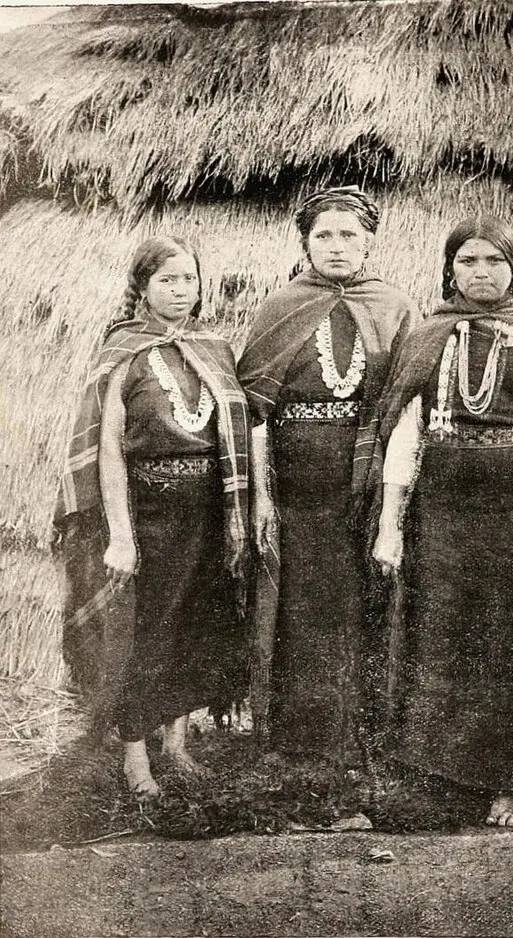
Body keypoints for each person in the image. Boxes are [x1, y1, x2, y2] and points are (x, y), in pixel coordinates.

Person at [373, 216, 513, 826]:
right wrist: (390, 524)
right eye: (468, 261)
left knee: (509, 639)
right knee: (440, 632)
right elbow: (404, 433)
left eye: (493, 262)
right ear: (450, 268)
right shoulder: (428, 336)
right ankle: (441, 772)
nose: (480, 273)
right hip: (441, 510)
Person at [54, 235, 250, 803]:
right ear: (141, 286)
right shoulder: (123, 352)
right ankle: (136, 757)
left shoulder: (214, 348)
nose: (180, 290)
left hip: (207, 513)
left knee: (194, 623)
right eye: (167, 279)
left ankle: (177, 744)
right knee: (146, 633)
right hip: (147, 511)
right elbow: (107, 448)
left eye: (189, 279)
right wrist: (120, 535)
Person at [237, 186, 419, 764]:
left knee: (361, 605)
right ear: (305, 243)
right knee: (302, 609)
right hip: (297, 484)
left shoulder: (393, 305)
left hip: (366, 481)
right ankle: (297, 745)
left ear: (369, 241)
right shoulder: (280, 307)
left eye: (348, 235)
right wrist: (264, 498)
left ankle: (360, 744)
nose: (336, 247)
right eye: (323, 235)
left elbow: (408, 403)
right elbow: (255, 411)